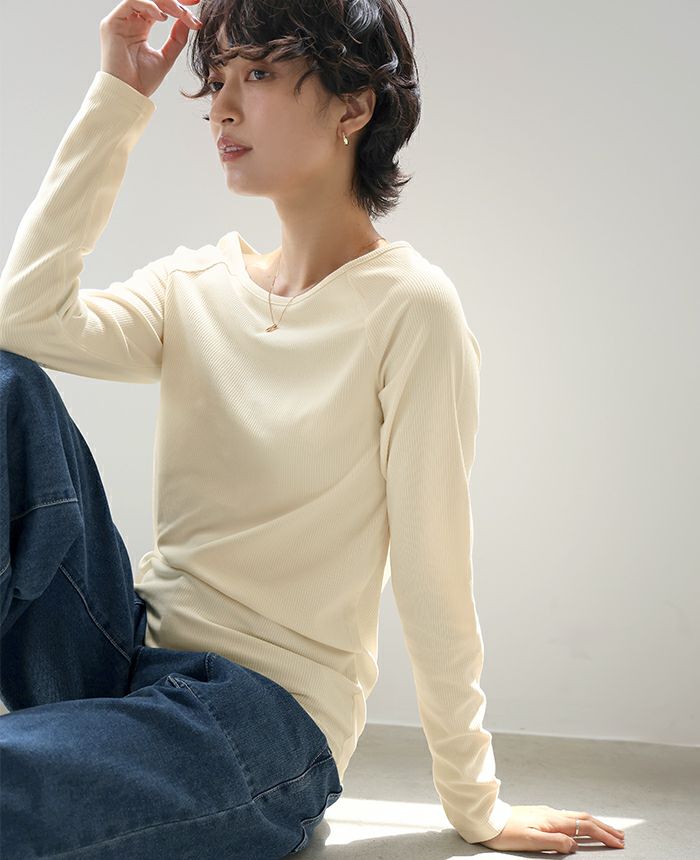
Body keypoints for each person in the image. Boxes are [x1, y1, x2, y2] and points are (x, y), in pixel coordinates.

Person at [0, 0, 625, 856]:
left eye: (257, 73)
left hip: (260, 720)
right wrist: (120, 94)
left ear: (352, 105)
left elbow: (433, 566)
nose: (222, 107)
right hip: (122, 656)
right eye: (218, 79)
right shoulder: (194, 288)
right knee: (7, 387)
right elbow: (23, 322)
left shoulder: (411, 309)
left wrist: (475, 801)